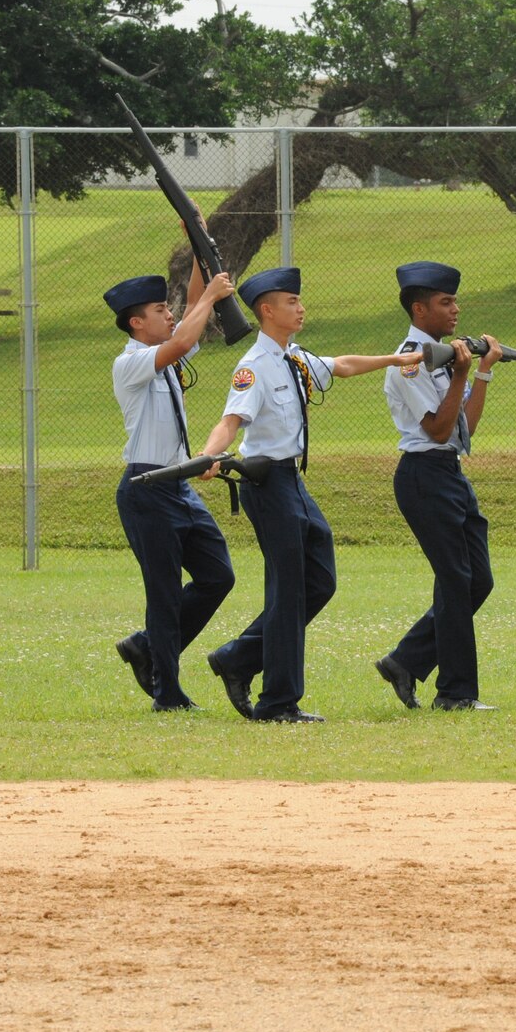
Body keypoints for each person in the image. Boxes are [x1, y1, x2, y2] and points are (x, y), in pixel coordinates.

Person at [196, 267, 423, 723]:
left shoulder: (295, 358)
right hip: (266, 483)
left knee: (319, 581)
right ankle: (278, 702)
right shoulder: (253, 368)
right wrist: (208, 456)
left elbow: (340, 365)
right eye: (291, 302)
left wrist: (394, 360)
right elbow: (230, 421)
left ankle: (239, 658)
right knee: (288, 592)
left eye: (300, 301)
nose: (300, 308)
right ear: (266, 310)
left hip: (293, 483)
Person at [375, 261, 516, 712]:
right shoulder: (410, 362)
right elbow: (436, 430)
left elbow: (462, 429)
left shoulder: (442, 354)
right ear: (420, 309)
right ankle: (455, 693)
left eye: (454, 300)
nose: (455, 309)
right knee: (456, 580)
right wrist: (459, 373)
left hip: (450, 472)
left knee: (478, 581)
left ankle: (406, 660)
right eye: (445, 302)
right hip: (422, 475)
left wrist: (483, 372)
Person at [108, 254, 239, 711]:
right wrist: (213, 296)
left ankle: (147, 646)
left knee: (218, 576)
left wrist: (198, 241)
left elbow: (188, 328)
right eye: (161, 311)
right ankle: (168, 692)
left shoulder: (164, 354)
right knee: (163, 594)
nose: (171, 314)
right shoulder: (131, 362)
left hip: (179, 484)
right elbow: (185, 337)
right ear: (136, 323)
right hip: (146, 489)